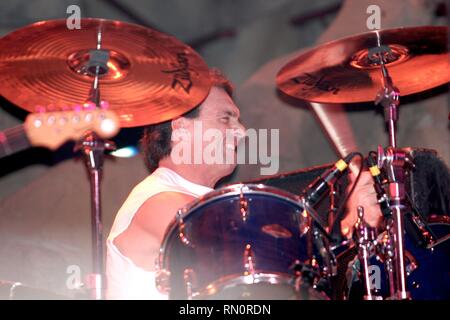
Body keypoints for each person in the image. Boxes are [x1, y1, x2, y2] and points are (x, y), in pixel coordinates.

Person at [105, 68, 382, 299]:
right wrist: (346, 228)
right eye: (226, 119)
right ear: (180, 129)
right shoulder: (156, 199)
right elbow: (255, 255)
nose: (242, 131)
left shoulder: (192, 201)